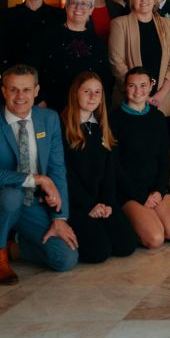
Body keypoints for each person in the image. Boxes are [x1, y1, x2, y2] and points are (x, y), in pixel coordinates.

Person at [0, 65, 79, 284]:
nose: (20, 96)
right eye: (13, 90)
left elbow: (57, 169)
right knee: (12, 197)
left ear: (36, 90)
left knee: (66, 258)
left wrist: (59, 217)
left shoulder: (49, 119)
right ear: (3, 91)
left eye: (26, 90)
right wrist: (38, 179)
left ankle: (15, 247)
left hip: (35, 202)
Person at [60, 72, 138, 262]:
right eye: (87, 91)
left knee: (126, 245)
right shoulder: (61, 127)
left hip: (101, 201)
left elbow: (109, 172)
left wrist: (108, 203)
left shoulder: (103, 126)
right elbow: (65, 174)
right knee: (98, 252)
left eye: (98, 92)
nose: (93, 96)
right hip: (76, 203)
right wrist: (89, 206)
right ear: (75, 94)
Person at [110, 68, 170, 248]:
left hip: (155, 189)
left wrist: (159, 191)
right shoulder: (114, 120)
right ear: (125, 87)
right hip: (130, 192)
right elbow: (114, 166)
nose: (138, 91)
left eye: (143, 85)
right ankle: (139, 220)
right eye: (132, 85)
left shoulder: (158, 117)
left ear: (151, 86)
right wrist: (140, 196)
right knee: (155, 239)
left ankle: (153, 216)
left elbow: (163, 159)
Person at [108, 0, 170, 117]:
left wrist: (161, 94)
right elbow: (116, 62)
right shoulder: (119, 24)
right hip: (130, 100)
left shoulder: (167, 24)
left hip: (161, 100)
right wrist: (140, 94)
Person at [35, 0, 113, 115]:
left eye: (84, 4)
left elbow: (105, 75)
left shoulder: (96, 41)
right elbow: (34, 68)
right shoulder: (48, 35)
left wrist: (102, 104)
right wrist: (40, 99)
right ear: (66, 6)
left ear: (91, 9)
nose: (78, 7)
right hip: (52, 106)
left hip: (88, 108)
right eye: (73, 3)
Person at [0, 0, 65, 78]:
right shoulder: (8, 15)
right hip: (17, 79)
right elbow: (3, 52)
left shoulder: (59, 15)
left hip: (49, 80)